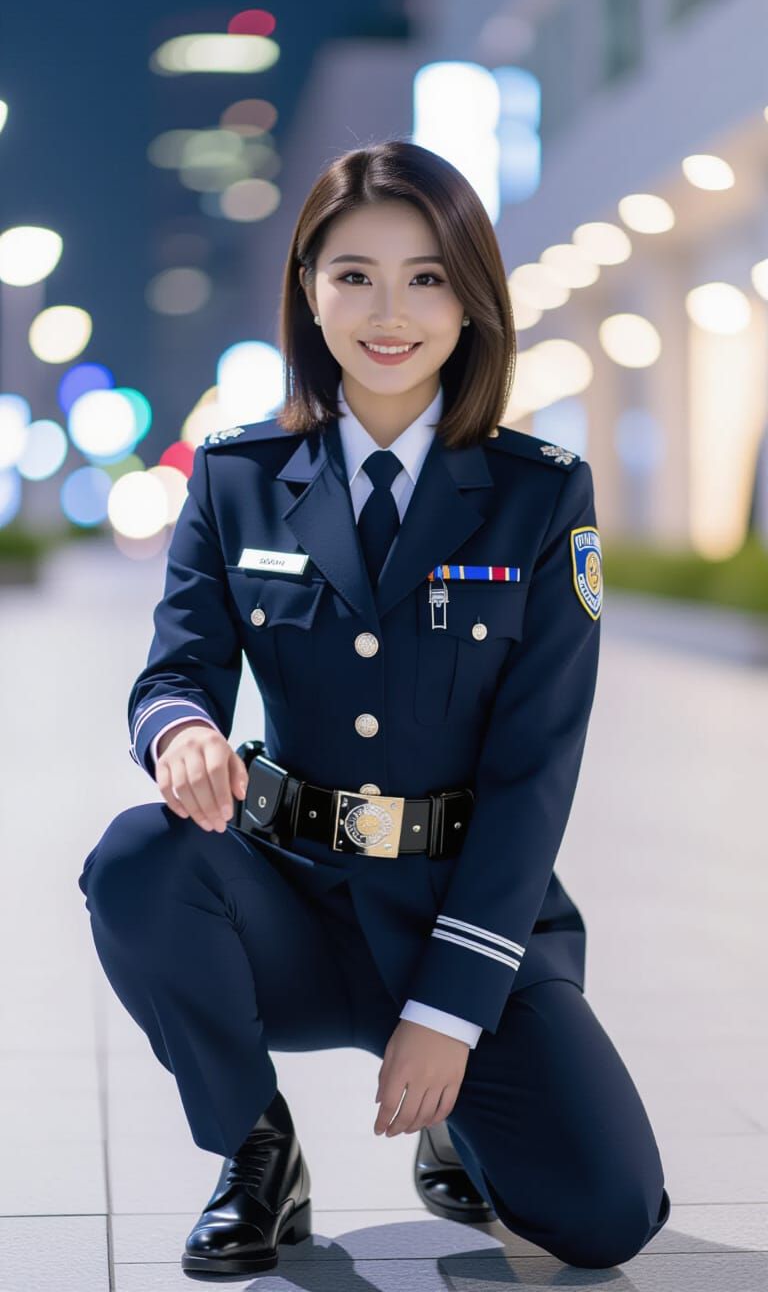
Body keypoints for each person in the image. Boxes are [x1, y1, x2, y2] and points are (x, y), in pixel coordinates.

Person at [77, 139, 671, 1277]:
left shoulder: (539, 495)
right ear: (307, 289)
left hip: (467, 916)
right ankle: (257, 1149)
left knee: (605, 1218)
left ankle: (459, 1122)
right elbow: (176, 670)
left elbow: (535, 768)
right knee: (140, 860)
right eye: (353, 274)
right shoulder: (239, 474)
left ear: (472, 299)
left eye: (426, 276)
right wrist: (184, 730)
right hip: (291, 903)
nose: (387, 310)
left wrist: (449, 1010)